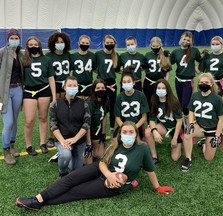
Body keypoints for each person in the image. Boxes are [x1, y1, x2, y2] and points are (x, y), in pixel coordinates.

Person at [16, 121, 174, 212]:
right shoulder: (115, 144)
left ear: (135, 134)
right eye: (124, 131)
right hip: (103, 170)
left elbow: (149, 170)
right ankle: (36, 198)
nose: (127, 134)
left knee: (75, 192)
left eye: (130, 132)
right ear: (120, 134)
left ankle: (40, 204)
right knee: (72, 178)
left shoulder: (143, 149)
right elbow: (103, 163)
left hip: (114, 184)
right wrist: (109, 174)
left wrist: (157, 187)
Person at [182, 73, 223, 171]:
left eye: (206, 82)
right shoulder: (195, 96)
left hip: (212, 129)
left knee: (208, 158)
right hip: (200, 126)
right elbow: (191, 111)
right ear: (198, 84)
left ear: (211, 84)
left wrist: (217, 135)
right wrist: (190, 123)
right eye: (201, 82)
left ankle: (203, 143)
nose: (203, 84)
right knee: (187, 133)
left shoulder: (217, 98)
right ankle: (188, 158)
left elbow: (222, 118)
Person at [50, 76, 91, 177]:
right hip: (62, 139)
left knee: (76, 171)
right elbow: (53, 125)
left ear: (78, 87)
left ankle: (67, 157)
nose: (72, 88)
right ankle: (62, 171)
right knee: (66, 155)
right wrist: (62, 141)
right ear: (64, 87)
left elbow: (86, 124)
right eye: (69, 85)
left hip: (79, 141)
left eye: (75, 86)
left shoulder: (84, 104)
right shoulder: (55, 104)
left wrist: (75, 139)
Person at [22, 36, 56, 156]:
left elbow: (51, 79)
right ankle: (28, 145)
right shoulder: (24, 59)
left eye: (35, 45)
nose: (33, 47)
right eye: (30, 45)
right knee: (29, 120)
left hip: (44, 90)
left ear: (40, 46)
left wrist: (54, 97)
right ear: (27, 47)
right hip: (29, 91)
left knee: (43, 118)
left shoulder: (46, 59)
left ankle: (42, 143)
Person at [145, 79, 183, 164]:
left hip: (176, 128)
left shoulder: (174, 102)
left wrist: (175, 138)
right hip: (164, 126)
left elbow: (179, 122)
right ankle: (154, 156)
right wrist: (154, 131)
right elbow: (151, 119)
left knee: (175, 158)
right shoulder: (154, 101)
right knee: (148, 132)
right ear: (155, 89)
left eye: (163, 88)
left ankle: (180, 143)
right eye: (159, 88)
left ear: (167, 90)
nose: (161, 90)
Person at [0, 29, 23, 164]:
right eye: (12, 37)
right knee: (8, 122)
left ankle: (13, 146)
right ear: (8, 39)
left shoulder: (21, 53)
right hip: (4, 92)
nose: (14, 40)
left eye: (16, 37)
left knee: (14, 120)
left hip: (18, 89)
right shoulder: (2, 52)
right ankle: (6, 150)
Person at [46, 31, 72, 148]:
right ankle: (51, 137)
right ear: (53, 43)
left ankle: (64, 134)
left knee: (66, 112)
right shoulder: (49, 56)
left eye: (62, 42)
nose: (60, 44)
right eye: (57, 42)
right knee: (54, 112)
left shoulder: (68, 55)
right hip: (54, 85)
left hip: (66, 86)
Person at [170, 31, 202, 124]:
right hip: (178, 80)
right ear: (181, 39)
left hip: (188, 81)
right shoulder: (176, 51)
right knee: (180, 104)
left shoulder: (194, 51)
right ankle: (184, 122)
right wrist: (165, 55)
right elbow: (169, 63)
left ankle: (189, 121)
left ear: (191, 41)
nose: (186, 41)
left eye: (188, 40)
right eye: (184, 39)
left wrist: (199, 67)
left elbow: (201, 60)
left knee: (185, 105)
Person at [95, 35, 120, 138]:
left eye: (111, 43)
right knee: (101, 107)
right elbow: (94, 67)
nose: (109, 44)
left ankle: (112, 129)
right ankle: (101, 128)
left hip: (112, 84)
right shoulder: (98, 54)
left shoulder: (116, 55)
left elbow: (117, 69)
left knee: (113, 106)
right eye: (108, 42)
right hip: (101, 84)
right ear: (104, 43)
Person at [114, 69, 149, 139]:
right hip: (123, 125)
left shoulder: (141, 95)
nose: (126, 83)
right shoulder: (119, 97)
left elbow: (144, 117)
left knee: (136, 143)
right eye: (124, 82)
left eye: (129, 81)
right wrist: (124, 127)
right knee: (116, 140)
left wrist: (134, 127)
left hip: (137, 125)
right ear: (121, 84)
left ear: (134, 82)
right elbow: (117, 117)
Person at [198, 36, 223, 102]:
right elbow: (200, 70)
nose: (215, 46)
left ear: (221, 45)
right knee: (206, 101)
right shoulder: (207, 56)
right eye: (213, 44)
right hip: (207, 82)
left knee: (216, 101)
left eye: (217, 44)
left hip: (219, 82)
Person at [84, 79, 109, 164]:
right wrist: (88, 142)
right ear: (94, 89)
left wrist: (103, 133)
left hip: (97, 131)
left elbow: (104, 116)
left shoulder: (106, 100)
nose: (100, 90)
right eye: (98, 88)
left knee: (101, 156)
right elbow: (86, 124)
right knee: (88, 163)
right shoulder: (89, 104)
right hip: (87, 132)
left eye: (102, 87)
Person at [144, 37, 170, 107]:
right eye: (153, 46)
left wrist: (166, 83)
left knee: (160, 100)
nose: (155, 48)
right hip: (149, 81)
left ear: (160, 45)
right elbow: (144, 69)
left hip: (160, 82)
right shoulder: (147, 55)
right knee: (148, 100)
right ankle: (149, 116)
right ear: (150, 46)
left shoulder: (164, 55)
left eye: (157, 46)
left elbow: (167, 71)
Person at [70, 35, 96, 99]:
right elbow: (70, 69)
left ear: (89, 44)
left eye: (87, 43)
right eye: (83, 43)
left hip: (89, 84)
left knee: (88, 106)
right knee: (78, 106)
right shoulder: (73, 56)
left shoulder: (92, 55)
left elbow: (94, 68)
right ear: (79, 43)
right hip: (77, 84)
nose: (85, 45)